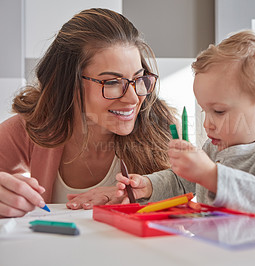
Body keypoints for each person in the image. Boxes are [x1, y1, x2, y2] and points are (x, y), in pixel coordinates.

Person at [0, 8, 176, 218]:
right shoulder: (32, 126)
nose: (132, 99)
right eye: (111, 82)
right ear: (67, 84)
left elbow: (189, 201)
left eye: (139, 79)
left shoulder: (163, 127)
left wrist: (145, 194)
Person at [116, 30, 255, 222]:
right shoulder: (213, 149)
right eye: (204, 111)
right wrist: (149, 185)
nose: (207, 124)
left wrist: (211, 175)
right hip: (219, 250)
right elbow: (181, 181)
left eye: (219, 112)